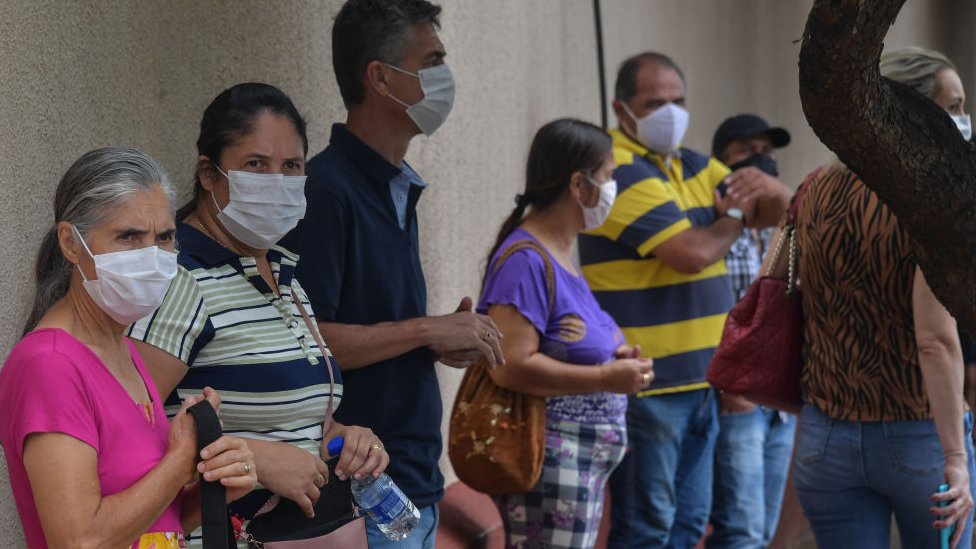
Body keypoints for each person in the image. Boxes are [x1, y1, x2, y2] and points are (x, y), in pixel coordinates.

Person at [127, 83, 389, 548]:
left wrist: (343, 438)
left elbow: (287, 419)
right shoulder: (181, 280)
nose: (277, 181)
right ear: (209, 173)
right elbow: (125, 425)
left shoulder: (285, 274)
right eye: (255, 165)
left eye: (291, 166)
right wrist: (253, 459)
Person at [284, 1, 504, 547]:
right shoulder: (327, 192)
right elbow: (309, 343)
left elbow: (369, 327)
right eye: (431, 61)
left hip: (412, 482)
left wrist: (434, 342)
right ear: (380, 77)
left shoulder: (394, 184)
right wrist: (426, 330)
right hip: (362, 491)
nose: (443, 78)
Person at [577, 51, 787, 548]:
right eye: (654, 103)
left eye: (678, 101)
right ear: (621, 108)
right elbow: (691, 253)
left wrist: (769, 189)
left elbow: (775, 211)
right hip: (648, 385)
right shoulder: (615, 170)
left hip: (701, 382)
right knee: (646, 528)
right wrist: (732, 218)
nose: (669, 113)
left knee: (688, 524)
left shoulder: (693, 164)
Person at [0, 148, 256, 549]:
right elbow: (80, 540)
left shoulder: (124, 351)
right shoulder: (49, 364)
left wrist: (218, 483)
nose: (151, 257)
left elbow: (155, 525)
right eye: (128, 237)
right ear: (71, 243)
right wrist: (180, 458)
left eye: (164, 238)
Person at [791, 46, 975, 548]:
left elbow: (784, 288)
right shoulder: (930, 201)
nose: (964, 119)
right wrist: (956, 459)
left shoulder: (815, 187)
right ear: (909, 109)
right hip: (920, 432)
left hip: (824, 436)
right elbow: (934, 342)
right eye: (953, 106)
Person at [480, 118, 654, 548]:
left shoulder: (560, 252)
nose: (613, 188)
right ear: (579, 184)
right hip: (550, 464)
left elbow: (568, 345)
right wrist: (604, 378)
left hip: (578, 468)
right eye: (609, 176)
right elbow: (510, 366)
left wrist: (617, 362)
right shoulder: (526, 260)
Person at [707, 114, 795, 549]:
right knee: (741, 531)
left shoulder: (783, 231)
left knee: (765, 530)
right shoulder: (718, 229)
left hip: (779, 405)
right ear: (722, 162)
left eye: (767, 151)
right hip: (738, 398)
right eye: (746, 152)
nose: (760, 161)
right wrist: (732, 387)